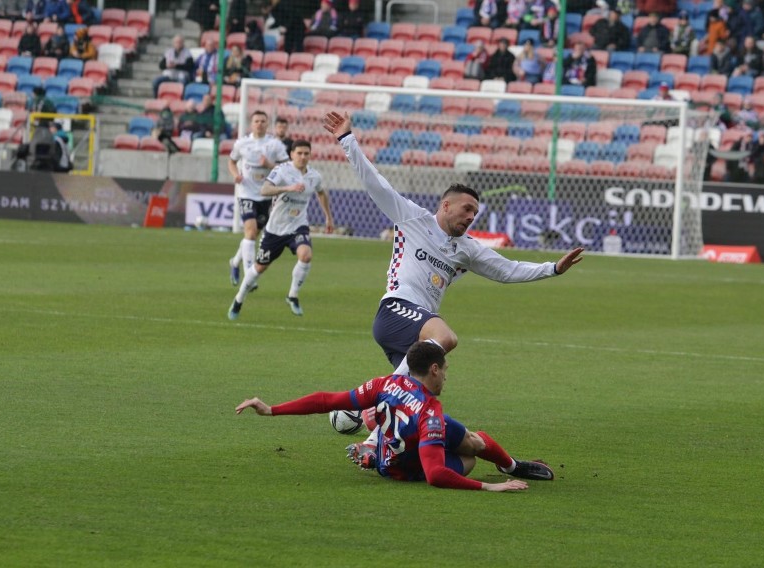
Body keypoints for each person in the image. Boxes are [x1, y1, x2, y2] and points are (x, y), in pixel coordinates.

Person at [322, 109, 583, 458]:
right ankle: (364, 400)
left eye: (475, 213)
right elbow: (374, 182)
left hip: (415, 330)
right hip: (396, 309)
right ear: (445, 205)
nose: (471, 217)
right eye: (466, 209)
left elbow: (507, 270)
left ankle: (372, 443)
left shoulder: (468, 249)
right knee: (445, 339)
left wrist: (552, 268)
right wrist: (347, 139)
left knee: (419, 392)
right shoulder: (411, 217)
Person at [235, 341, 550, 490]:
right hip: (401, 468)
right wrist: (492, 487)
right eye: (446, 371)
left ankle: (512, 465)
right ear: (434, 369)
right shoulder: (430, 411)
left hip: (394, 448)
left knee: (469, 438)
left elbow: (326, 400)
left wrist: (272, 409)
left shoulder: (385, 383)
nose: (446, 378)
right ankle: (506, 469)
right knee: (469, 456)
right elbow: (436, 476)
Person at [228, 139, 334, 319]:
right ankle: (239, 298)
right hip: (275, 230)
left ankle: (292, 295)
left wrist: (328, 217)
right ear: (292, 154)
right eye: (299, 153)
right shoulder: (282, 170)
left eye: (306, 153)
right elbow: (265, 189)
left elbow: (321, 192)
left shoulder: (314, 176)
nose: (302, 157)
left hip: (298, 226)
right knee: (259, 268)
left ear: (310, 155)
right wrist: (288, 188)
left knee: (306, 255)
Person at [227, 110, 290, 287]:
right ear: (251, 123)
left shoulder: (274, 144)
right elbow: (231, 161)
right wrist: (235, 175)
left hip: (266, 194)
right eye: (256, 121)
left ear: (267, 124)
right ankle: (249, 276)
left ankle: (235, 261)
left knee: (254, 234)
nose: (260, 124)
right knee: (250, 231)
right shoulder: (242, 143)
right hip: (246, 193)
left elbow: (287, 167)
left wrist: (269, 165)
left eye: (263, 121)